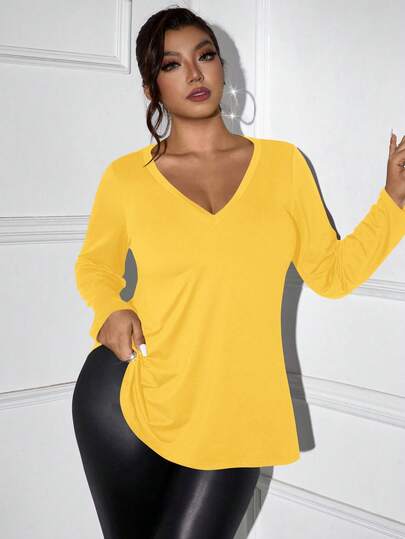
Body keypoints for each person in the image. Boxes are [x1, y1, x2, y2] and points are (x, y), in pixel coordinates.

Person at [71, 6, 405, 539]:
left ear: (222, 67)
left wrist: (394, 203)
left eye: (204, 56)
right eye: (172, 64)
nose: (194, 73)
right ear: (152, 88)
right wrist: (110, 308)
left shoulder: (284, 167)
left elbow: (331, 273)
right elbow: (95, 264)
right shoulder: (126, 179)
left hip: (236, 414)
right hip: (123, 400)